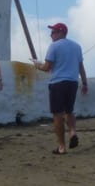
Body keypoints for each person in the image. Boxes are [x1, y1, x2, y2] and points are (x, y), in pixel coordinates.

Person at [32, 22, 87, 155]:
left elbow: (47, 67)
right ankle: (73, 132)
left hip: (58, 83)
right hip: (72, 82)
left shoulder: (54, 46)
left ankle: (61, 147)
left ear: (61, 33)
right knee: (69, 111)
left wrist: (37, 65)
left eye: (53, 32)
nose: (51, 35)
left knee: (57, 115)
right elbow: (80, 67)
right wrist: (84, 83)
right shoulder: (77, 46)